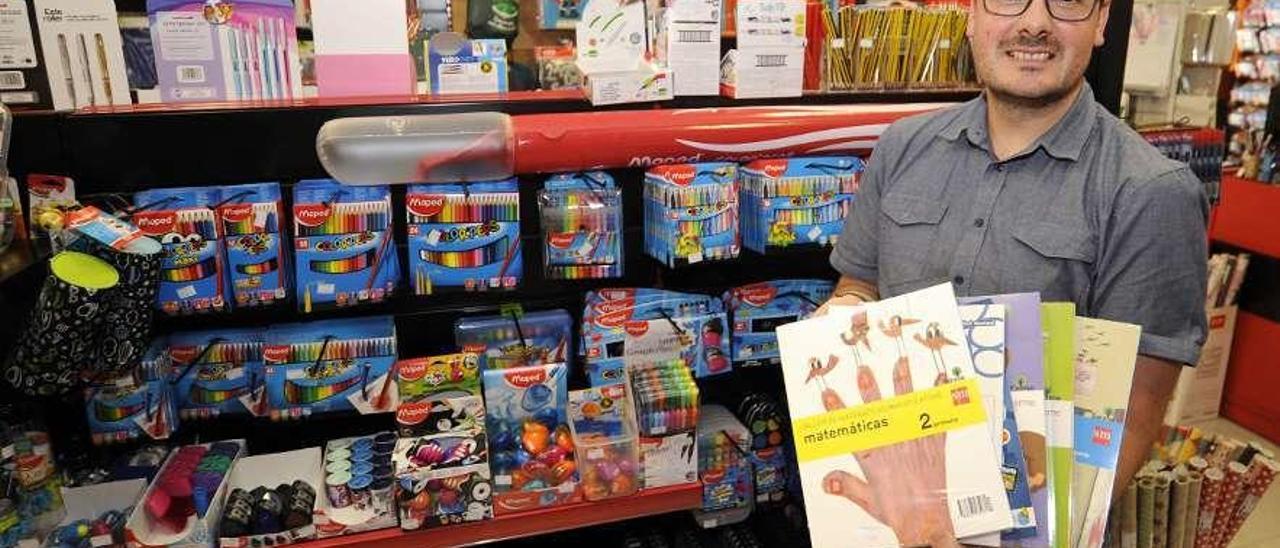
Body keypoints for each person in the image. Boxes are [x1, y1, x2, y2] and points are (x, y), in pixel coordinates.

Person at [819, 0, 1208, 541]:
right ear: (970, 16)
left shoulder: (1151, 193)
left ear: (1100, 23)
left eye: (1066, 3)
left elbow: (1131, 416)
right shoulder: (901, 147)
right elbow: (860, 281)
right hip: (893, 511)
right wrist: (850, 310)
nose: (1034, 23)